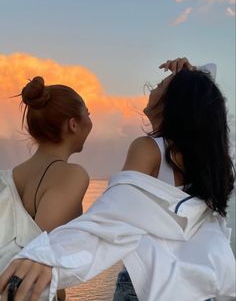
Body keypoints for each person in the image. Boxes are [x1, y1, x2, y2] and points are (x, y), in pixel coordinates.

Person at [0, 58, 235, 301]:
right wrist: (194, 77)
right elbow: (214, 115)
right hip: (205, 288)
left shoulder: (149, 149)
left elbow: (115, 214)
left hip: (148, 288)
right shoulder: (214, 161)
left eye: (160, 85)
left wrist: (51, 257)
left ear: (172, 102)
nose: (152, 88)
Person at [0, 76, 92, 300]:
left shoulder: (5, 178)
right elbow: (41, 255)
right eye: (88, 114)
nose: (91, 121)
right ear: (73, 124)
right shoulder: (72, 175)